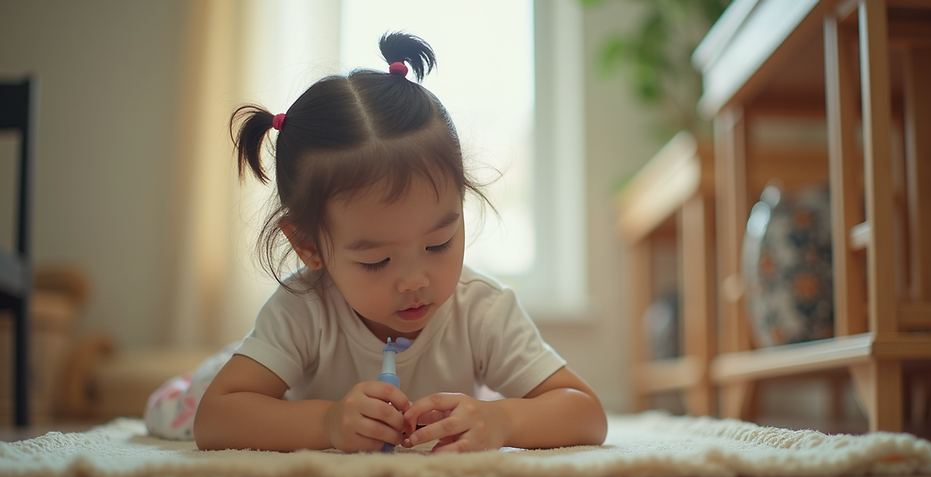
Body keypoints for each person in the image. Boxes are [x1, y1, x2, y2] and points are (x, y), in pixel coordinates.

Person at [144, 32, 607, 454]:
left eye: (439, 244)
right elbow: (214, 419)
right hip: (269, 377)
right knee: (174, 409)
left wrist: (503, 420)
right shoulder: (304, 309)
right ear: (308, 246)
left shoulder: (482, 311)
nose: (414, 280)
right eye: (377, 260)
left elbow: (586, 412)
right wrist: (326, 423)